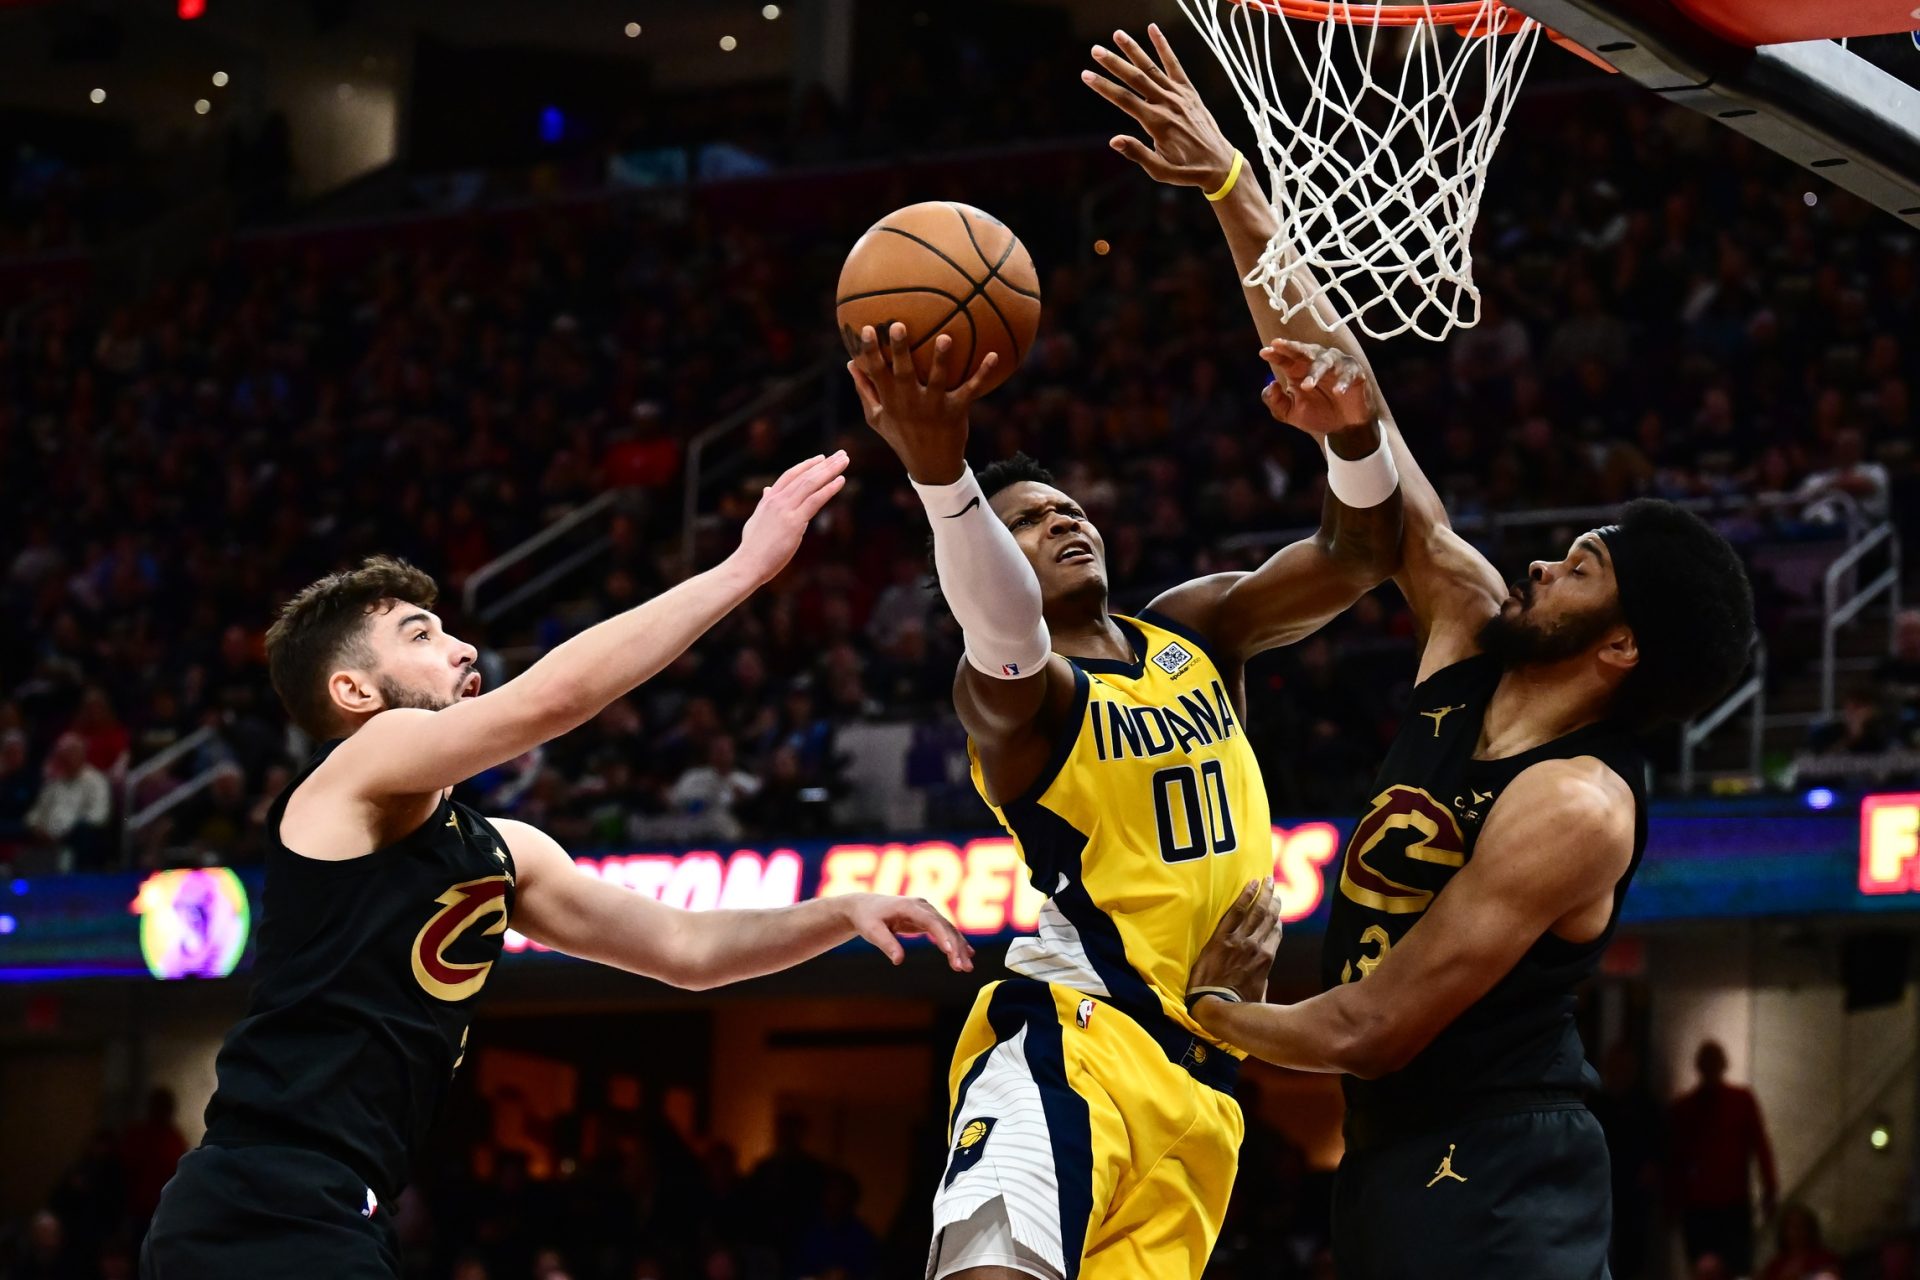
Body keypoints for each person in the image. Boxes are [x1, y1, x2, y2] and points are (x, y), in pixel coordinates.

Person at [1084, 24, 1755, 1280]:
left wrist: (1200, 1009)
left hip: (1502, 1154)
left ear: (1618, 647)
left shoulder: (1579, 802)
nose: (1550, 557)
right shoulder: (1468, 624)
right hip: (1395, 1147)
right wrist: (1235, 188)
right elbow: (1363, 419)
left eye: (1587, 564)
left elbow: (1383, 1021)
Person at [141, 452, 975, 1280]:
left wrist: (836, 913)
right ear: (356, 692)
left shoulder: (503, 852)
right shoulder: (359, 766)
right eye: (420, 634)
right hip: (259, 1198)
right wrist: (743, 570)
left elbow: (688, 952)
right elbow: (551, 701)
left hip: (340, 1208)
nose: (463, 647)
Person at [847, 209, 1404, 1274]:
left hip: (1203, 1085)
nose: (1065, 518)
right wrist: (942, 480)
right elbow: (1003, 630)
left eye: (1067, 506)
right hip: (1073, 1040)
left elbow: (1361, 548)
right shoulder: (1017, 700)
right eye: (1028, 522)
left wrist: (1351, 434)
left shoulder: (1192, 629)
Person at [1670, 1040, 1779, 1277]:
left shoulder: (1736, 1101)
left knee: (1730, 1267)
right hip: (1708, 1203)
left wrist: (1770, 1187)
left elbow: (1760, 1146)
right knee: (1717, 1267)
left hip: (1724, 1202)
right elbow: (1676, 1158)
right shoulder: (1688, 1108)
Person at [1759, 1203, 1839, 1280]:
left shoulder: (1824, 1259)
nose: (1797, 1231)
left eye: (1801, 1225)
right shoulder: (1776, 1265)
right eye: (1792, 1226)